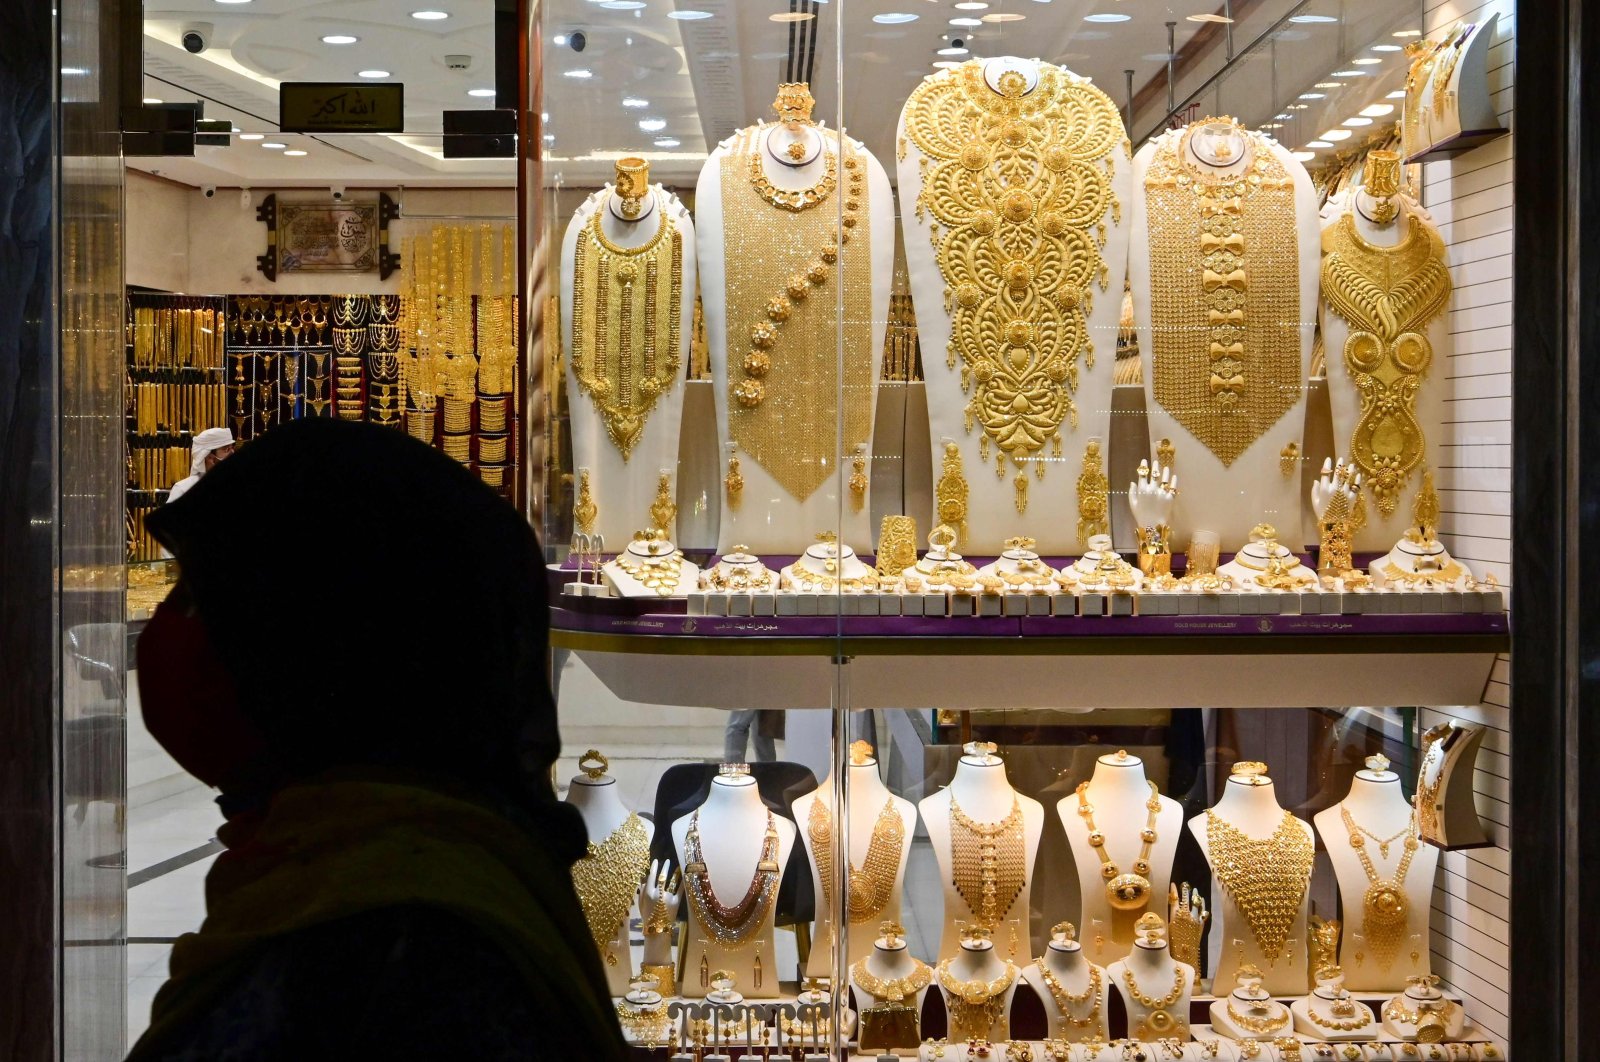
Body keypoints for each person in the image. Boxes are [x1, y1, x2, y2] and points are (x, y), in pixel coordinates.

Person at [126, 419, 627, 1061]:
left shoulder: (379, 955)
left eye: (198, 600)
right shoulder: (395, 869)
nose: (169, 632)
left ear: (317, 647)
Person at [163, 426, 234, 504]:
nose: (232, 453)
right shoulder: (183, 490)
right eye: (227, 449)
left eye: (232, 448)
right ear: (210, 458)